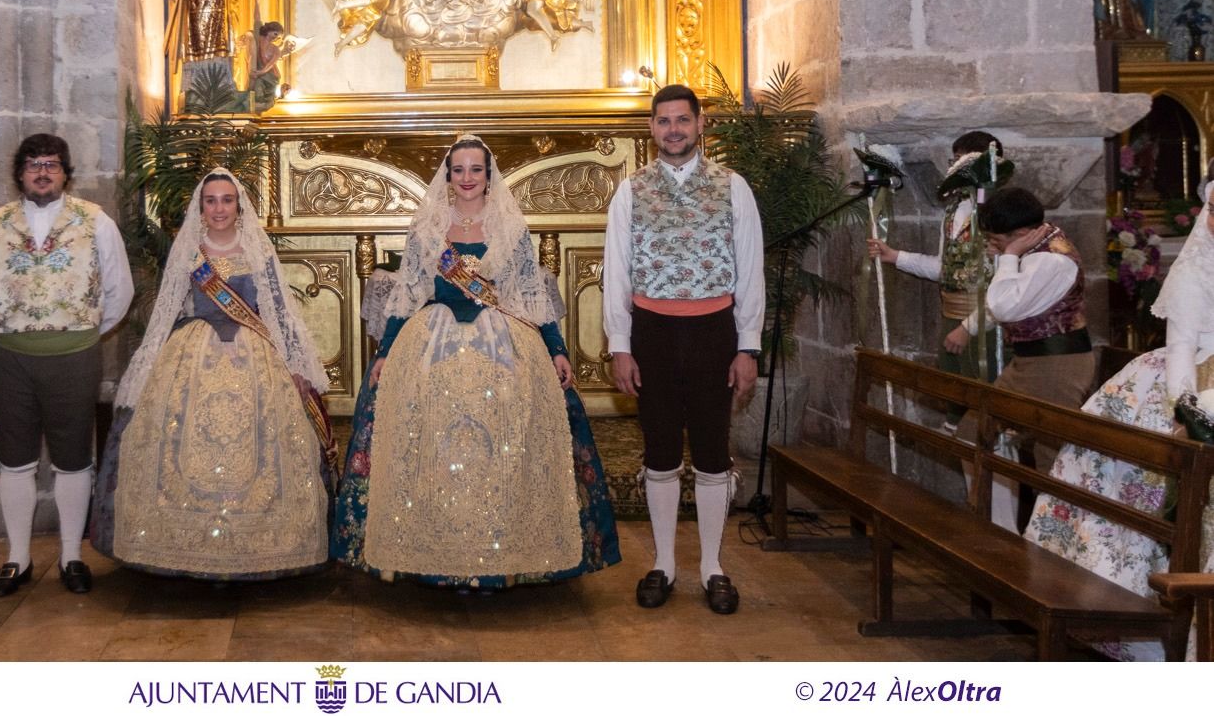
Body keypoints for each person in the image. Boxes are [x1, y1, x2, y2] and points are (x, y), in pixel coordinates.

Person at [331, 136, 620, 587]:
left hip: (501, 340)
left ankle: (506, 549)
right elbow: (407, 296)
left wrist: (557, 348)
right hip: (433, 341)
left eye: (476, 170)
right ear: (448, 176)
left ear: (489, 176)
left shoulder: (509, 228)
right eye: (459, 170)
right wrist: (386, 352)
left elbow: (530, 296)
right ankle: (428, 543)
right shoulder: (428, 230)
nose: (467, 179)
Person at [94, 170, 334, 579]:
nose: (219, 208)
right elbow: (167, 311)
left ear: (238, 206)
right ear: (200, 207)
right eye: (211, 201)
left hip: (256, 354)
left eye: (226, 200)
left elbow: (280, 314)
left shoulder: (258, 251)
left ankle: (260, 544)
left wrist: (297, 366)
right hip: (193, 354)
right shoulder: (188, 252)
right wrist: (147, 368)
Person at [1024, 175, 1214, 660]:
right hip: (1185, 384)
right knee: (1115, 479)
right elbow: (1180, 349)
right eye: (1213, 210)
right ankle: (1125, 618)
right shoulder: (1197, 270)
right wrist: (1187, 410)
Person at [603, 84, 765, 615]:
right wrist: (621, 346)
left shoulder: (732, 187)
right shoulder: (630, 191)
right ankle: (666, 563)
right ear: (651, 129)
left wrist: (748, 347)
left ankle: (714, 567)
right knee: (661, 450)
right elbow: (617, 274)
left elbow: (750, 270)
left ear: (700, 126)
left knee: (714, 451)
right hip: (652, 332)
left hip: (714, 331)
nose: (673, 129)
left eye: (682, 120)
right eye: (663, 121)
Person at [0, 133, 133, 596]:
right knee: (15, 458)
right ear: (19, 172)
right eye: (32, 164)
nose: (42, 172)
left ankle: (70, 555)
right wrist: (18, 326)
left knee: (73, 458)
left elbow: (118, 293)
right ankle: (17, 558)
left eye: (51, 164)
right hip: (11, 359)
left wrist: (82, 331)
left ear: (66, 172)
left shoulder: (95, 222)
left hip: (75, 357)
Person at [946, 185, 1101, 533]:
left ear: (1021, 234)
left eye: (996, 240)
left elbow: (1003, 305)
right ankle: (1000, 527)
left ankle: (1063, 540)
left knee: (1054, 457)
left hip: (1056, 365)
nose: (992, 246)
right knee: (974, 432)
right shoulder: (1034, 247)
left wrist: (1009, 255)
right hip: (1030, 363)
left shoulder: (1051, 259)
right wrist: (1009, 254)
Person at [867, 132, 1009, 410]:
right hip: (951, 316)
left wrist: (970, 327)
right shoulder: (954, 210)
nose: (954, 170)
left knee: (984, 409)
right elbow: (947, 267)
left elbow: (1007, 287)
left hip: (987, 325)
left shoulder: (1002, 211)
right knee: (955, 405)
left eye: (961, 162)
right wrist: (895, 256)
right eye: (953, 161)